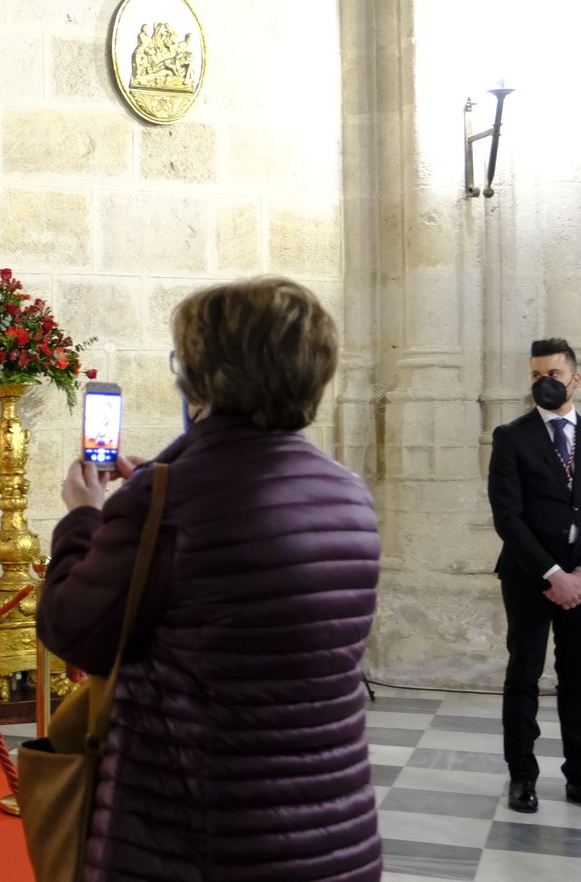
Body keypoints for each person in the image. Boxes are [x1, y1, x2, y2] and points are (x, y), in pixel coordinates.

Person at [37, 277, 382, 882]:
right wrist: (154, 491)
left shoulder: (167, 499)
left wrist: (84, 517)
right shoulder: (348, 493)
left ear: (203, 376)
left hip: (200, 834)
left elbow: (73, 630)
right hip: (332, 831)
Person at [487, 338, 581, 815]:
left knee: (577, 679)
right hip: (530, 577)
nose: (543, 383)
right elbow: (507, 516)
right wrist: (552, 574)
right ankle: (522, 776)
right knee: (524, 675)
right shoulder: (512, 436)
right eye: (535, 375)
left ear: (574, 379)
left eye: (552, 374)